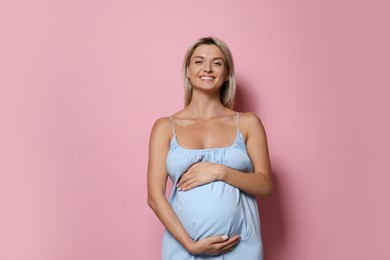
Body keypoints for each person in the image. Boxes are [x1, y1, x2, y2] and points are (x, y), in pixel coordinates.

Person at [147, 36, 272, 259]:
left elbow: (265, 185)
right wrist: (191, 245)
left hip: (241, 248)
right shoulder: (165, 127)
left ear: (226, 74)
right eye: (198, 61)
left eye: (217, 62)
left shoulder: (248, 123)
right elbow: (155, 197)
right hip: (184, 250)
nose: (207, 68)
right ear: (187, 70)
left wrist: (219, 171)